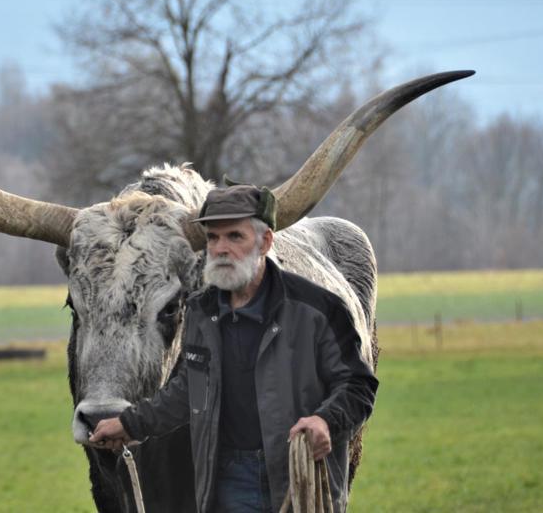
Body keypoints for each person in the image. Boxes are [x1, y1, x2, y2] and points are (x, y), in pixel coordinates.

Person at [89, 184, 378, 513]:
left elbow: (358, 385)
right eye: (213, 238)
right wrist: (131, 423)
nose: (221, 249)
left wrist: (326, 420)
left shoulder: (319, 309)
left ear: (265, 241)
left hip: (298, 474)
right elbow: (188, 390)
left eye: (235, 237)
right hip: (227, 479)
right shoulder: (201, 311)